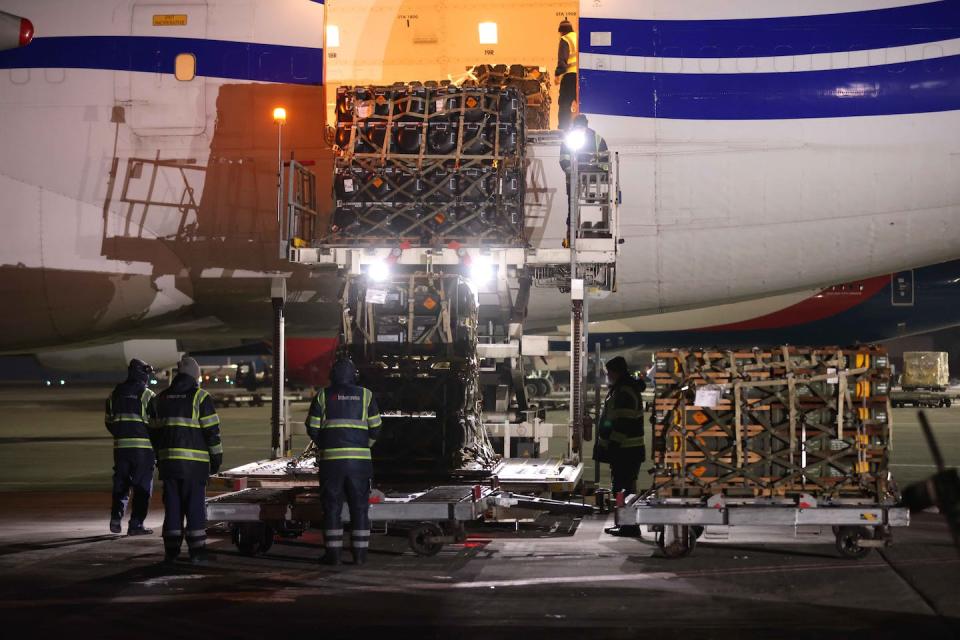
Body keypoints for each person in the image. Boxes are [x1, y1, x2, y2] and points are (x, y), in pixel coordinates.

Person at [306, 358, 382, 566]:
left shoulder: (323, 395)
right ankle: (360, 556)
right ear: (354, 375)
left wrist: (325, 444)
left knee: (331, 508)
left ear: (332, 376)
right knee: (360, 508)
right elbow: (376, 427)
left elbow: (312, 427)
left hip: (332, 463)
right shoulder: (366, 395)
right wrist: (365, 445)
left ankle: (334, 555)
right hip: (360, 463)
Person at [150, 357, 222, 565]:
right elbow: (212, 433)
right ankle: (197, 553)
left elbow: (154, 433)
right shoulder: (200, 397)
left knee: (172, 508)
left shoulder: (161, 398)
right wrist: (216, 459)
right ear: (195, 376)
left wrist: (161, 457)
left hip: (169, 465)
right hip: (194, 466)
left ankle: (171, 552)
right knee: (194, 508)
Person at [594, 356, 646, 535]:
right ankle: (626, 524)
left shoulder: (624, 391)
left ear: (616, 372)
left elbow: (623, 422)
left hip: (625, 450)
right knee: (624, 487)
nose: (608, 375)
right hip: (628, 450)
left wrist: (612, 445)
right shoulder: (622, 389)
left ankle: (629, 526)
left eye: (609, 372)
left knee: (623, 488)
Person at [105, 358, 157, 536]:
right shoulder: (147, 395)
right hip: (143, 450)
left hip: (121, 449)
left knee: (121, 484)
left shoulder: (115, 394)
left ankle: (115, 518)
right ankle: (135, 525)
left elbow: (109, 422)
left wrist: (122, 434)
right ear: (142, 373)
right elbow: (156, 424)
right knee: (142, 489)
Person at [559, 114, 609, 246]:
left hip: (594, 185)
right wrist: (576, 172)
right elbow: (564, 161)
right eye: (578, 128)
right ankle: (572, 238)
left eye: (582, 128)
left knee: (593, 210)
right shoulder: (569, 140)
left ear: (586, 127)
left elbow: (605, 164)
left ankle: (594, 236)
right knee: (573, 211)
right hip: (574, 183)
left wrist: (591, 170)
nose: (580, 130)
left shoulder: (597, 139)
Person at [555, 18, 578, 130]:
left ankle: (563, 128)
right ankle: (579, 126)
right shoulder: (578, 37)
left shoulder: (565, 39)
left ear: (562, 31)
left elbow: (562, 61)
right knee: (580, 102)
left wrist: (557, 75)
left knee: (564, 103)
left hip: (569, 76)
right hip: (581, 76)